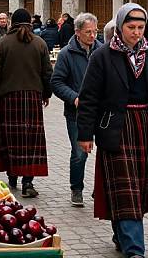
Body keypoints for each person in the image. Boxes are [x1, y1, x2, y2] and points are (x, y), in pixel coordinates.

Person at [77, 3, 148, 258]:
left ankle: (122, 233)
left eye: (141, 27)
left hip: (145, 128)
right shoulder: (103, 56)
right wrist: (85, 134)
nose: (137, 33)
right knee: (126, 189)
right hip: (115, 128)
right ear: (119, 26)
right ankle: (135, 250)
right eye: (131, 27)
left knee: (136, 188)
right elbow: (89, 98)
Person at [0, 8, 52, 197]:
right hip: (32, 98)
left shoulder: (2, 42)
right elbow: (47, 72)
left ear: (12, 22)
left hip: (9, 97)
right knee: (30, 140)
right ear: (29, 23)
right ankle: (28, 182)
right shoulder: (40, 43)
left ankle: (12, 175)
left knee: (10, 138)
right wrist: (46, 93)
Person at [51, 12, 101, 207]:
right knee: (80, 152)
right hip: (77, 113)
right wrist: (74, 98)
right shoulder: (66, 54)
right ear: (77, 32)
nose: (92, 36)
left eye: (95, 31)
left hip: (102, 112)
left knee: (105, 151)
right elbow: (56, 82)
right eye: (88, 32)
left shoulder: (102, 50)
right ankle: (77, 189)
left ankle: (100, 190)